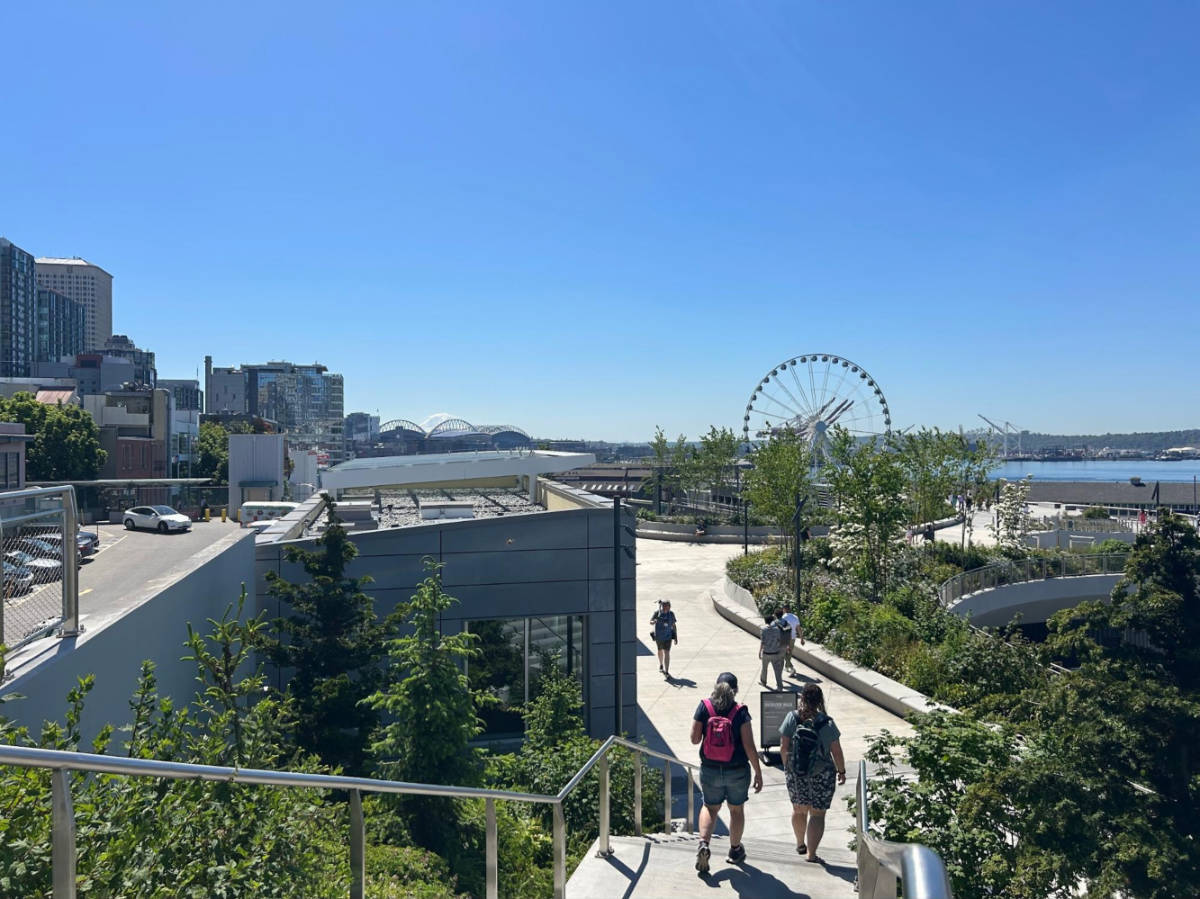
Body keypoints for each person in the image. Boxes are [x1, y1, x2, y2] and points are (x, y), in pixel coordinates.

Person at [691, 672, 764, 874]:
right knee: (736, 810)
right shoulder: (740, 712)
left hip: (710, 769)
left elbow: (694, 739)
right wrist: (758, 772)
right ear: (736, 690)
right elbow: (749, 746)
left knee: (710, 807)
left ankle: (704, 844)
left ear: (716, 687)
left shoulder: (704, 706)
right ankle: (734, 850)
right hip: (737, 770)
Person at [780, 683, 846, 865]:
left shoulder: (791, 718)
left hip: (796, 772)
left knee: (798, 809)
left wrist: (789, 769)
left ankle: (800, 844)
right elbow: (837, 751)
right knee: (817, 815)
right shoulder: (827, 722)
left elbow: (783, 747)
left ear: (802, 698)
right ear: (820, 701)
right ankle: (811, 854)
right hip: (822, 774)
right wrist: (841, 771)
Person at [758, 612, 787, 690]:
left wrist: (760, 651)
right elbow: (779, 640)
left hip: (766, 653)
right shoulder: (777, 629)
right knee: (777, 671)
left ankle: (763, 682)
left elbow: (762, 642)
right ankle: (779, 686)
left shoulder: (763, 629)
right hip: (775, 653)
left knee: (764, 668)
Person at [649, 599, 678, 677]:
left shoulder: (671, 614)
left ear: (669, 607)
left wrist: (675, 637)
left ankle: (667, 670)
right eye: (663, 606)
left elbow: (673, 625)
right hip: (659, 636)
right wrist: (654, 621)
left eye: (667, 606)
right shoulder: (657, 613)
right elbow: (650, 622)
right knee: (660, 651)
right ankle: (661, 664)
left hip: (668, 637)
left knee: (667, 652)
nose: (665, 608)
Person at [778, 606, 804, 676]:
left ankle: (791, 668)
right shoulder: (795, 617)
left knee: (784, 654)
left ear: (784, 609)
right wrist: (801, 638)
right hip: (793, 638)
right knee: (789, 653)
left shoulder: (783, 617)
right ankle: (787, 667)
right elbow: (799, 628)